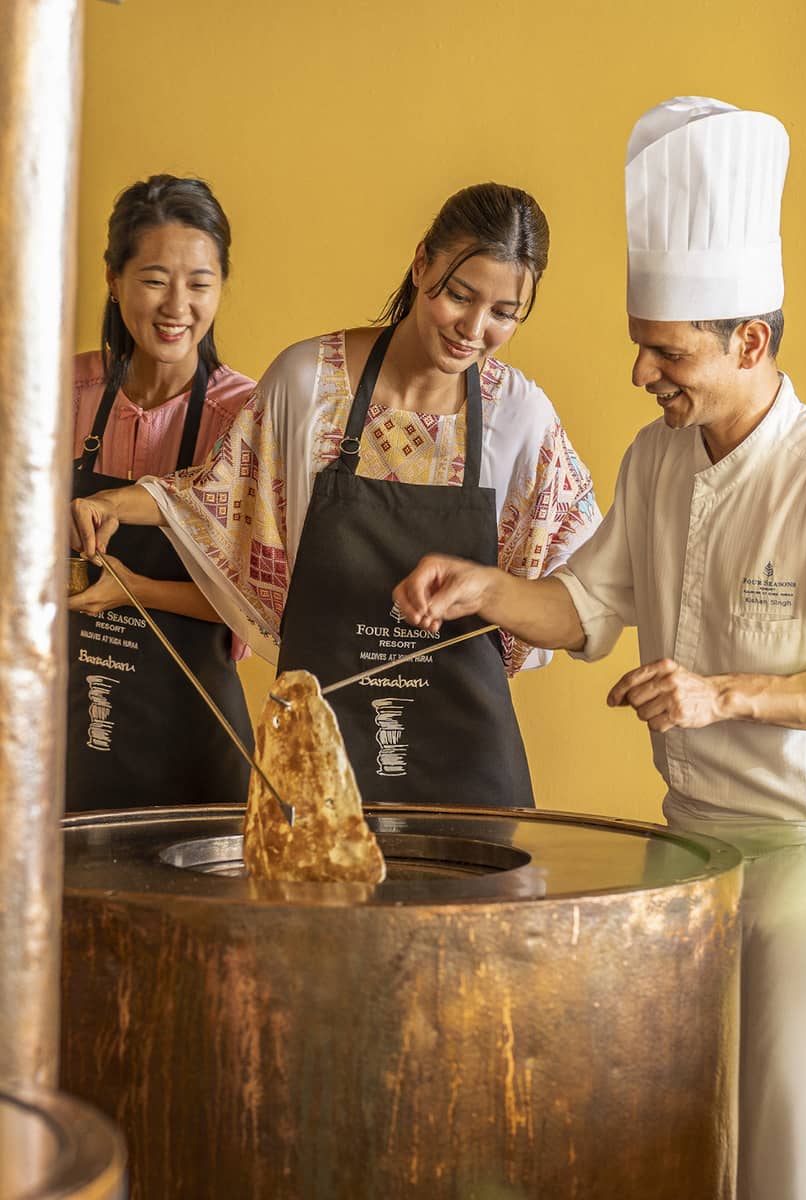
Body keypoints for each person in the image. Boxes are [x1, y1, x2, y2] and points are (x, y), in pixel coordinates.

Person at [392, 99, 806, 1200]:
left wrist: (720, 693)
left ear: (751, 341)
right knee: (677, 1139)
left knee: (798, 1157)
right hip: (691, 856)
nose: (644, 373)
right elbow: (585, 611)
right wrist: (483, 588)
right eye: (642, 348)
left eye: (667, 351)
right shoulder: (658, 460)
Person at [70, 182, 600, 808]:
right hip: (316, 756)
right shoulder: (308, 383)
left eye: (505, 313)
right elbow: (218, 498)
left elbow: (582, 613)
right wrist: (112, 503)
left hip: (470, 768)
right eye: (459, 295)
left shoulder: (523, 419)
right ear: (421, 262)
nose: (474, 329)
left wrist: (489, 591)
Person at [67, 174, 255, 810]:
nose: (178, 305)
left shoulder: (247, 419)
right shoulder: (64, 394)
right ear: (114, 279)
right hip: (62, 727)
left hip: (194, 742)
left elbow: (261, 600)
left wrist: (137, 590)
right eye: (154, 280)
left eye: (200, 284)